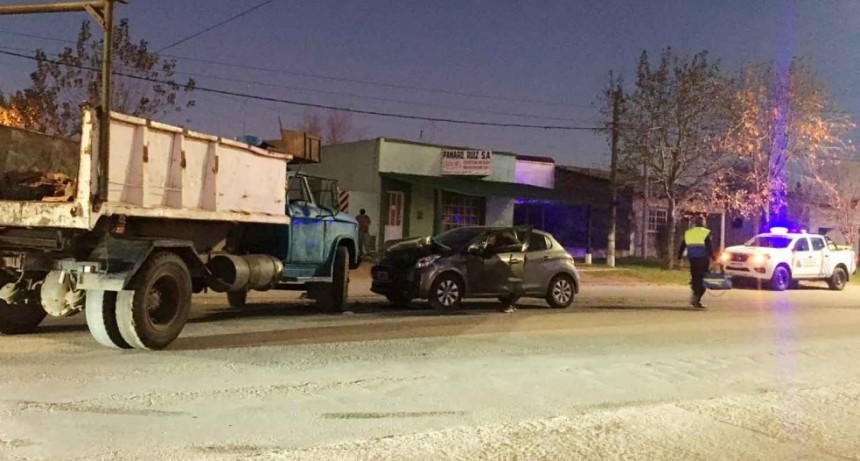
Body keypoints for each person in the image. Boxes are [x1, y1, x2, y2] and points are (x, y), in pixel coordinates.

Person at [678, 215, 717, 308]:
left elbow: (682, 245)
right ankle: (696, 297)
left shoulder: (689, 233)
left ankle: (695, 293)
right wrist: (714, 259)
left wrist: (679, 257)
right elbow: (709, 247)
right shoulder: (705, 232)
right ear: (703, 223)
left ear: (695, 223)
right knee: (704, 280)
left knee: (696, 277)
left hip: (692, 259)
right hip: (702, 259)